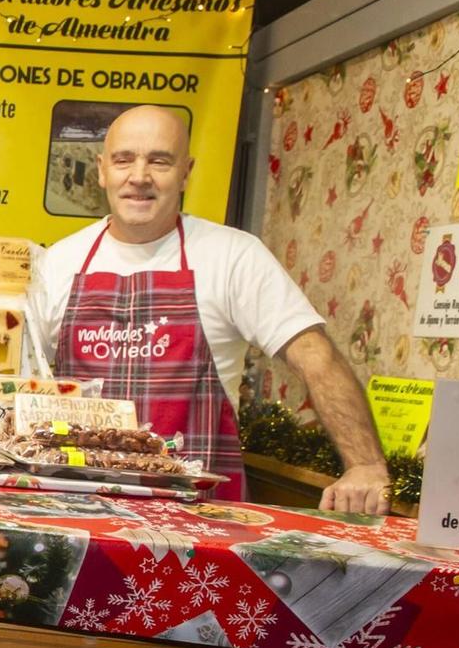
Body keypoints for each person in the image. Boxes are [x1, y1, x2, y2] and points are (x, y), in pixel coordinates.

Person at [27, 103, 389, 510]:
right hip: (76, 506)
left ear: (186, 172)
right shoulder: (56, 263)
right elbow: (19, 384)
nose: (139, 176)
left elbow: (314, 353)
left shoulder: (233, 256)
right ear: (101, 170)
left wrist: (366, 465)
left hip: (200, 518)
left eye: (159, 161)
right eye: (124, 159)